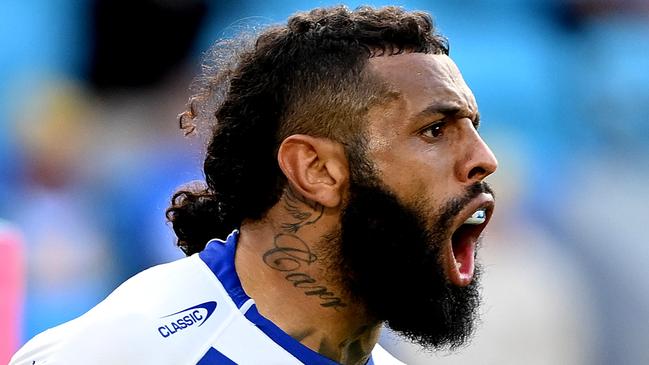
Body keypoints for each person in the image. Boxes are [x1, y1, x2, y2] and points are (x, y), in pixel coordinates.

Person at [10, 5, 498, 365]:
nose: (484, 159)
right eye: (435, 130)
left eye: (473, 128)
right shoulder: (127, 352)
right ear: (316, 170)